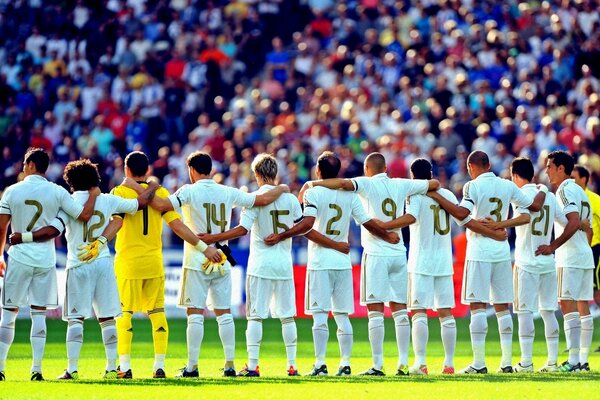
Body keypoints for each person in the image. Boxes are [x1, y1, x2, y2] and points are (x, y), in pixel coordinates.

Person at [124, 151, 289, 378]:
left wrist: (139, 186)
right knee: (224, 314)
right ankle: (230, 364)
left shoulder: (189, 191)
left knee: (195, 314)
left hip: (196, 259)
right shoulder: (228, 191)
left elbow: (161, 204)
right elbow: (260, 200)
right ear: (210, 169)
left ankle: (192, 367)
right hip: (221, 257)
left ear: (192, 170)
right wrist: (281, 188)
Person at [9, 159, 158, 379]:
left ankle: (72, 369)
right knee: (107, 318)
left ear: (70, 181)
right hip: (103, 263)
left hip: (78, 264)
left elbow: (54, 230)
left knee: (76, 319)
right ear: (95, 178)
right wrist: (153, 185)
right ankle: (110, 367)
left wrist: (24, 237)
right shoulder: (107, 200)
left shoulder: (67, 203)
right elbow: (140, 203)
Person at [79, 151, 221, 379]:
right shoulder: (162, 193)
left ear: (126, 170)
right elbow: (178, 226)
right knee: (157, 314)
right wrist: (204, 247)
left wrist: (101, 241)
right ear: (147, 170)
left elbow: (117, 222)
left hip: (128, 264)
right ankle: (159, 366)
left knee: (124, 315)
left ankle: (124, 367)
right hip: (154, 263)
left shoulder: (120, 191)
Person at [300, 152, 439, 376]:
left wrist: (311, 183)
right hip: (398, 253)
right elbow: (434, 183)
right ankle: (403, 363)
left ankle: (377, 364)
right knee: (400, 311)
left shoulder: (364, 184)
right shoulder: (401, 184)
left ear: (367, 169)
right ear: (385, 168)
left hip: (375, 253)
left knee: (375, 312)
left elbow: (344, 183)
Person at [266, 151, 398, 376]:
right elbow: (367, 223)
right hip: (343, 262)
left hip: (320, 261)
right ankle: (345, 364)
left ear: (318, 171)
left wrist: (282, 234)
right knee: (342, 316)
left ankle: (320, 364)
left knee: (320, 315)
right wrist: (388, 236)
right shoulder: (350, 196)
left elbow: (307, 226)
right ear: (338, 172)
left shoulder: (313, 193)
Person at [378, 158, 507, 375]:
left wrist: (383, 225)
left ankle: (420, 363)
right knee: (445, 313)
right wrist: (494, 233)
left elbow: (411, 218)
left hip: (421, 260)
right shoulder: (446, 194)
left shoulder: (415, 194)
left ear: (412, 176)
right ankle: (449, 364)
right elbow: (464, 219)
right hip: (445, 261)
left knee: (419, 311)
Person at [427, 150, 545, 373]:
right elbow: (532, 210)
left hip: (479, 251)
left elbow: (463, 214)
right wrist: (503, 224)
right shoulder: (507, 185)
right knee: (502, 308)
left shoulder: (472, 187)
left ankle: (479, 363)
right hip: (501, 252)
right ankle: (507, 363)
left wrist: (438, 197)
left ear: (471, 167)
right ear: (489, 164)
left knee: (478, 307)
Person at [198, 153, 302, 377]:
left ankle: (253, 366)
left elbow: (241, 230)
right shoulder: (291, 199)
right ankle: (292, 365)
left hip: (260, 265)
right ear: (275, 173)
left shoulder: (253, 199)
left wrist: (214, 237)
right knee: (287, 316)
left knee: (255, 316)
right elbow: (301, 225)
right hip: (284, 264)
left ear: (256, 174)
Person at [0, 148, 99, 381]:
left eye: (25, 163)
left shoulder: (12, 191)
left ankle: (1, 368)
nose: (23, 167)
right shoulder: (57, 192)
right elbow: (83, 216)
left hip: (19, 257)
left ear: (32, 165)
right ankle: (36, 369)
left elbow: (2, 227)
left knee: (8, 314)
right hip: (45, 260)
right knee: (39, 314)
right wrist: (93, 194)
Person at [481, 157, 562, 372]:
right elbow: (565, 221)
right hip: (547, 261)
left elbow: (523, 217)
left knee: (524, 312)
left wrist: (500, 224)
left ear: (515, 175)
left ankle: (526, 361)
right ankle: (552, 362)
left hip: (526, 261)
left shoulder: (520, 195)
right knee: (548, 312)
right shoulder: (550, 197)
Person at [536, 151, 594, 372]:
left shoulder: (563, 190)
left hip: (569, 257)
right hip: (584, 254)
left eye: (550, 166)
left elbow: (573, 222)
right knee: (582, 306)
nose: (547, 170)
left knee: (567, 304)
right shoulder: (581, 191)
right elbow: (586, 227)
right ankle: (581, 361)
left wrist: (553, 245)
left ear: (561, 168)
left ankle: (572, 360)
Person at [571, 165, 600, 352]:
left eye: (574, 177)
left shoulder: (594, 199)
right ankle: (579, 344)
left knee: (597, 295)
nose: (572, 180)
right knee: (578, 296)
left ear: (584, 179)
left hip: (595, 249)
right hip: (578, 252)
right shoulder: (571, 198)